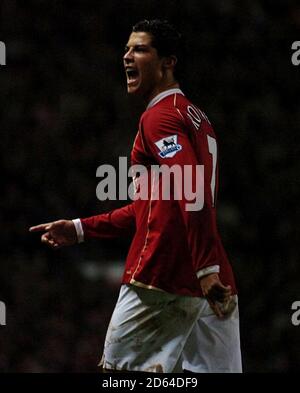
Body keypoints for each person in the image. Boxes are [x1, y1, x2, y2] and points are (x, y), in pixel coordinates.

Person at [29, 19, 242, 373]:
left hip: (163, 277)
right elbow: (157, 207)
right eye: (127, 48)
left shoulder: (160, 117)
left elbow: (191, 186)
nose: (127, 56)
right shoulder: (195, 116)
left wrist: (205, 267)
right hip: (213, 281)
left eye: (140, 49)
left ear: (167, 63)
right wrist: (81, 228)